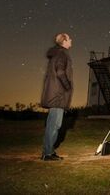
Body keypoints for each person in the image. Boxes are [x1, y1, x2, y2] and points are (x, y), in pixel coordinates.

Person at [40, 33, 74, 161]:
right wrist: (67, 86)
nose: (71, 40)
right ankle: (47, 153)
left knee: (52, 125)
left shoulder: (57, 53)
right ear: (64, 41)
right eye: (69, 39)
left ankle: (48, 151)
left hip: (55, 94)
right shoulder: (61, 54)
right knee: (54, 125)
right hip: (57, 95)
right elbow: (60, 72)